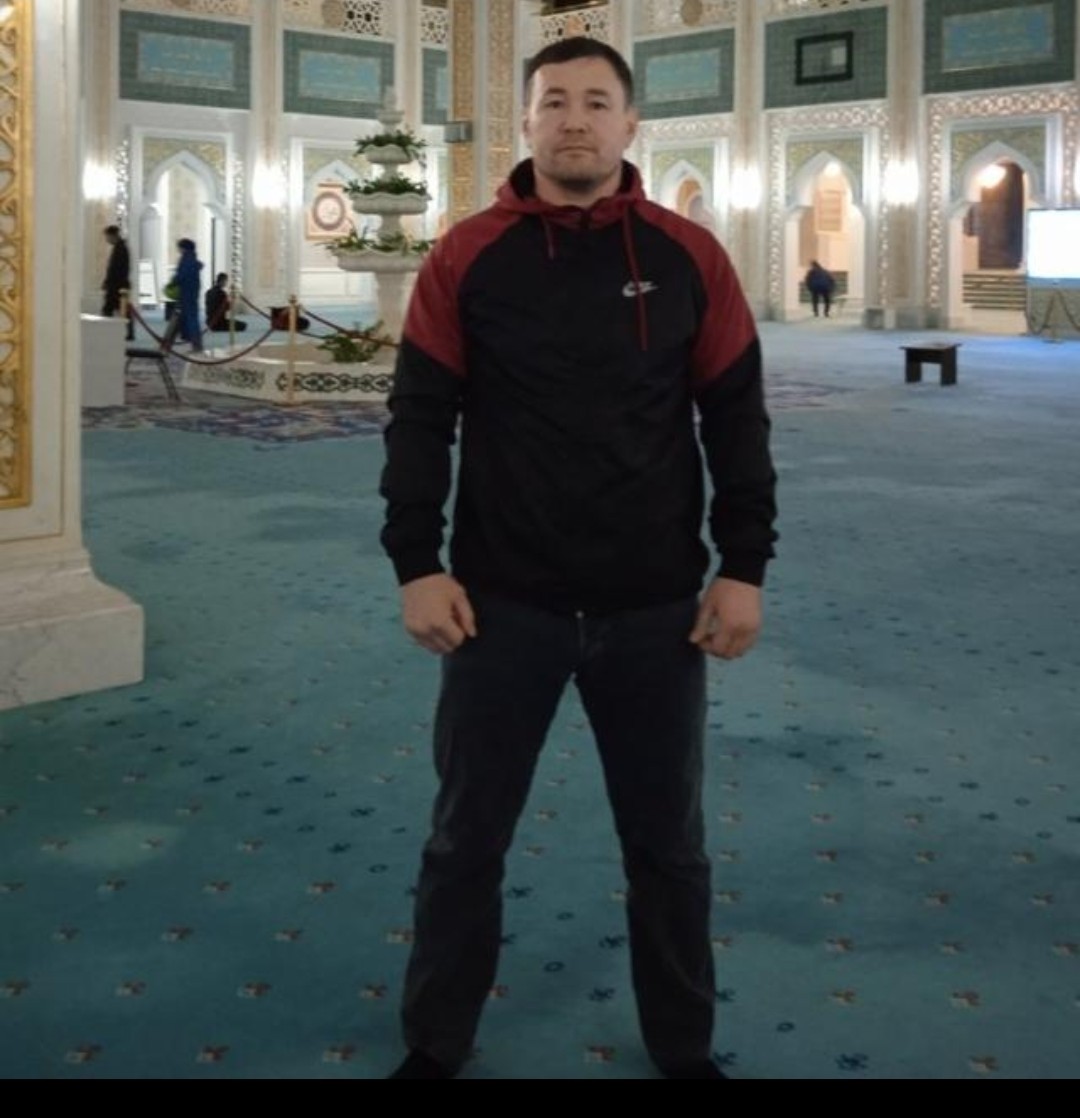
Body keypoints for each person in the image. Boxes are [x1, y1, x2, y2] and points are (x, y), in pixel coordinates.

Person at [380, 37, 777, 1081]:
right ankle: (436, 1044)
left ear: (630, 124)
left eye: (597, 102)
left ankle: (684, 1050)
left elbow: (736, 419)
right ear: (525, 121)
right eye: (554, 100)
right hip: (500, 607)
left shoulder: (690, 257)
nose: (574, 119)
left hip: (655, 610)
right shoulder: (467, 254)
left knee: (669, 849)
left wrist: (745, 564)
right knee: (465, 840)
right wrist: (416, 562)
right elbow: (419, 418)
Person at [101, 225, 134, 341]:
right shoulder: (120, 247)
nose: (106, 239)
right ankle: (127, 333)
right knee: (121, 310)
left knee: (110, 309)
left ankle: (108, 333)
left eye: (107, 236)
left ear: (112, 235)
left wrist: (109, 283)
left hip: (117, 286)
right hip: (117, 285)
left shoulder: (120, 248)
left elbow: (116, 270)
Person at [170, 237, 204, 351]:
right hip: (192, 291)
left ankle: (196, 344)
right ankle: (189, 339)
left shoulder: (186, 259)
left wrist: (172, 283)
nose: (178, 250)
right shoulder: (193, 259)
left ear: (183, 248)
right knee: (186, 316)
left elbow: (182, 275)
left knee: (190, 317)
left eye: (179, 247)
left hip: (186, 292)